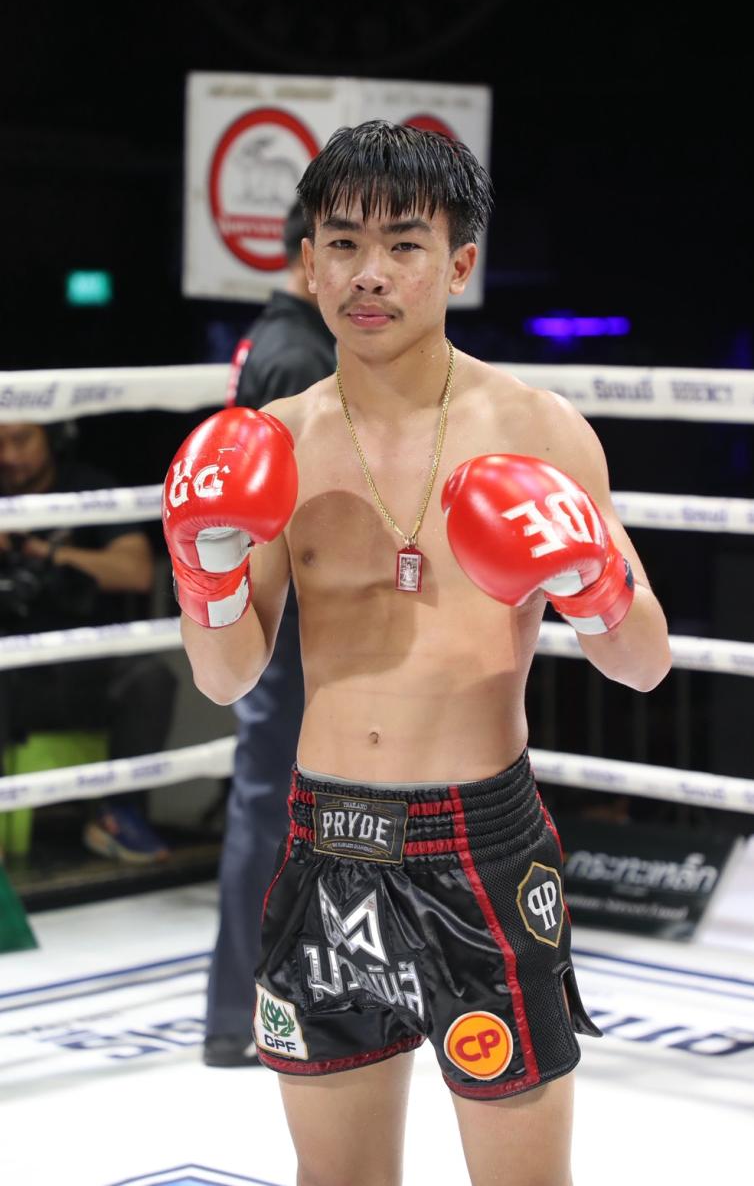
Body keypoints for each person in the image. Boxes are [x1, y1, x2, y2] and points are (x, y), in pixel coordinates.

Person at [163, 121, 671, 1186]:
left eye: (403, 243)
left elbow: (642, 662)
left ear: (459, 263)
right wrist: (205, 570)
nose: (370, 273)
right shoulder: (278, 439)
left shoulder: (538, 429)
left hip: (479, 841)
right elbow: (226, 675)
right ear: (309, 263)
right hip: (326, 837)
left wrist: (591, 579)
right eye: (344, 244)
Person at [204, 201, 337, 1067]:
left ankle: (252, 1008)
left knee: (276, 802)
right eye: (345, 247)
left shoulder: (281, 338)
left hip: (284, 603)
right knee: (270, 803)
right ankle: (241, 1012)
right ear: (310, 257)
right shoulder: (297, 355)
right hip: (287, 608)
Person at [0, 421, 175, 864]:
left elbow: (136, 570)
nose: (9, 456)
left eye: (21, 439)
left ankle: (119, 815)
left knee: (150, 677)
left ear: (53, 436)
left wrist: (47, 554)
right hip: (13, 676)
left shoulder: (89, 487)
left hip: (81, 673)